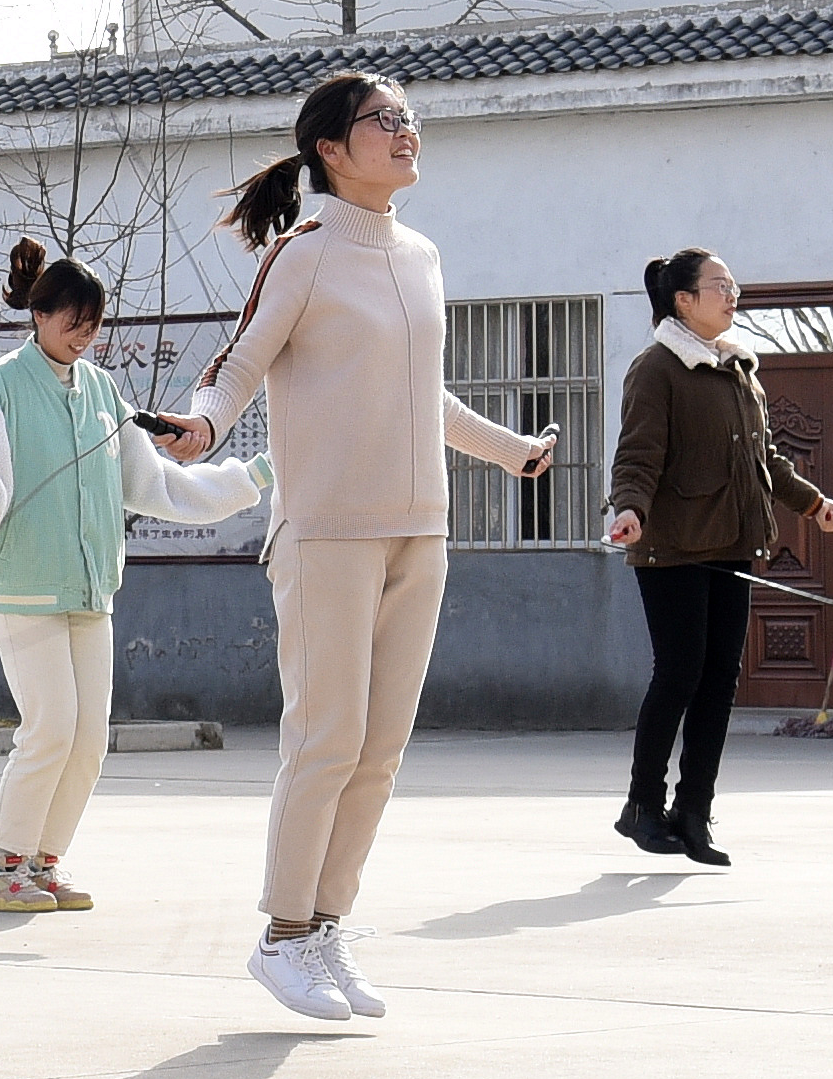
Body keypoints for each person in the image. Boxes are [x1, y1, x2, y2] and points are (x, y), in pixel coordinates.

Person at [180, 72, 555, 1025]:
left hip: (418, 530)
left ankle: (325, 926)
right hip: (326, 534)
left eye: (408, 117)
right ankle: (280, 936)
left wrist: (514, 453)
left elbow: (427, 397)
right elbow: (240, 362)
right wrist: (200, 426)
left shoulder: (421, 255)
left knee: (380, 748)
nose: (405, 130)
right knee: (325, 738)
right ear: (331, 151)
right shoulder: (304, 252)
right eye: (382, 120)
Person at [0, 235, 257, 911]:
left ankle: (41, 864)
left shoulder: (103, 391)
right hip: (22, 587)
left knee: (88, 738)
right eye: (73, 322)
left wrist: (248, 481)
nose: (84, 336)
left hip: (90, 587)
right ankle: (0, 869)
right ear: (39, 315)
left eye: (93, 325)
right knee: (50, 727)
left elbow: (153, 483)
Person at [595, 247, 833, 869]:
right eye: (719, 285)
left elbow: (766, 462)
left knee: (719, 683)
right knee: (680, 674)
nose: (732, 292)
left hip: (735, 544)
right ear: (683, 301)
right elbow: (636, 455)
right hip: (672, 548)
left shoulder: (739, 369)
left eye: (732, 284)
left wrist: (816, 505)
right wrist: (628, 509)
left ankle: (693, 812)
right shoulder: (657, 368)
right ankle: (641, 805)